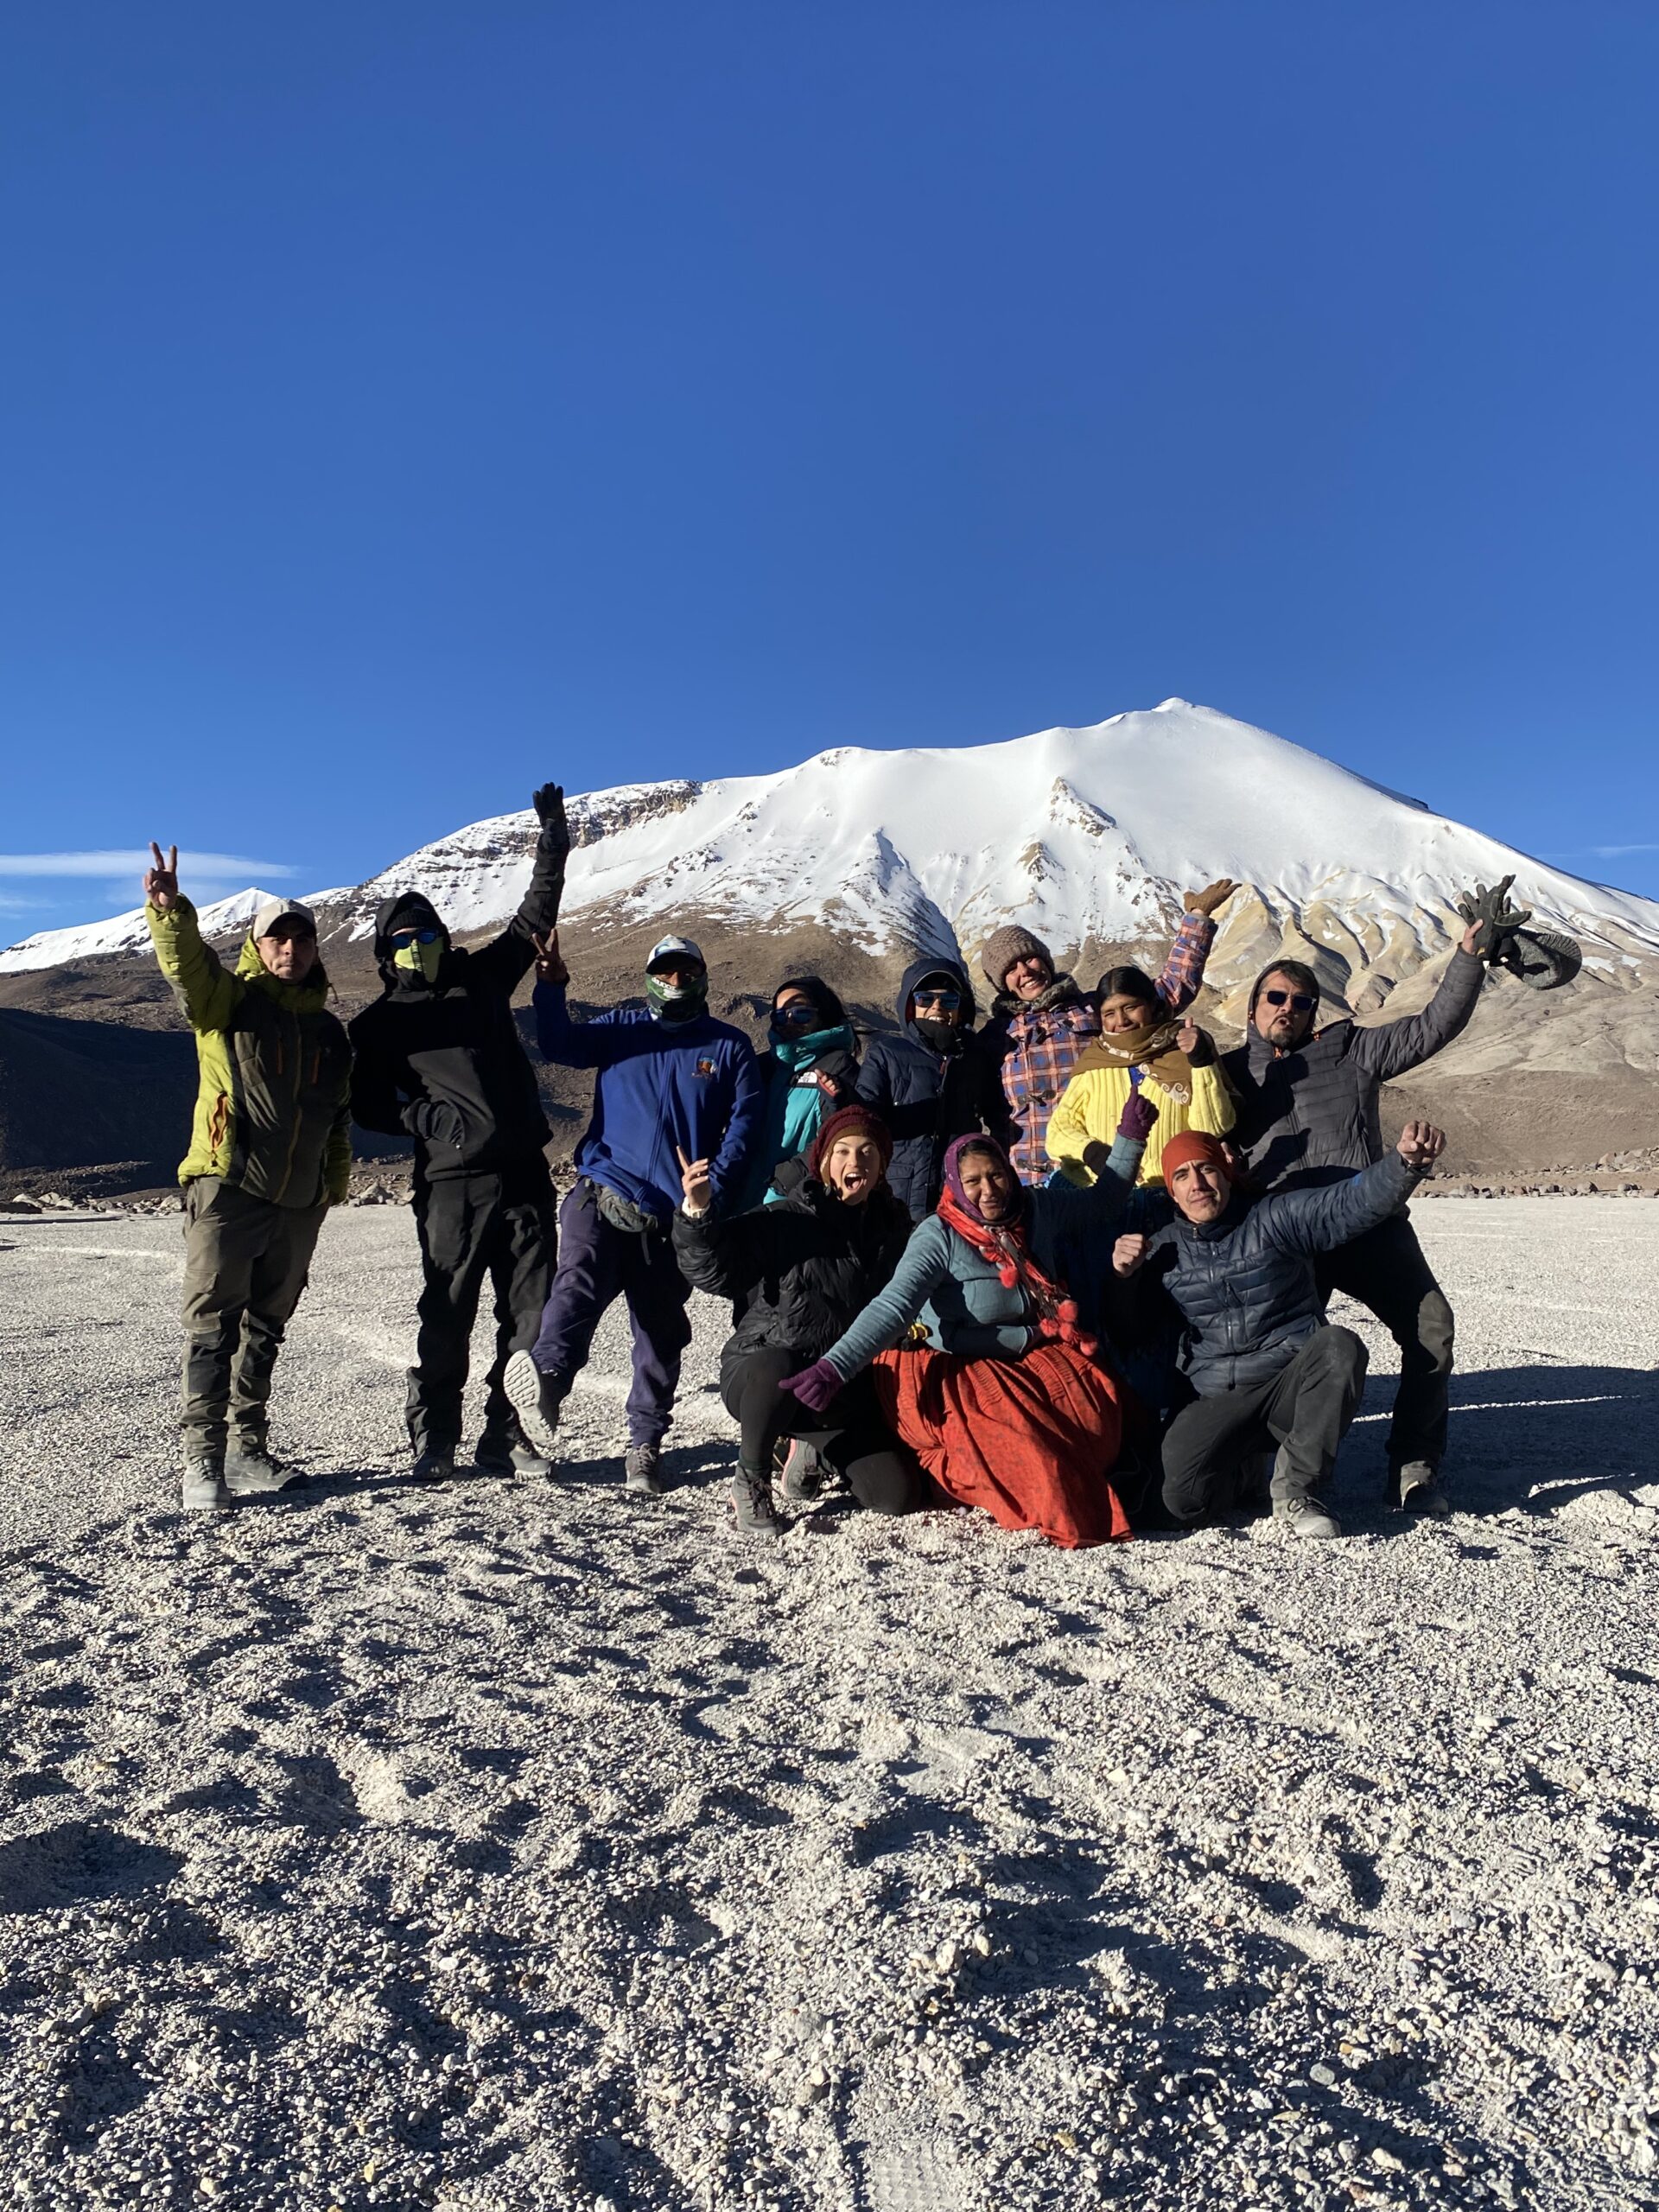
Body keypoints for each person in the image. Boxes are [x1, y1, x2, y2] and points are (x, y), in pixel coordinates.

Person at [779, 1105, 1155, 1548]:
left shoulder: (1036, 1209)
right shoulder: (938, 1234)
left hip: (1034, 1349)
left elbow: (1104, 1201)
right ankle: (830, 1453)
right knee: (1031, 1460)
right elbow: (894, 1307)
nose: (987, 1190)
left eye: (995, 1175)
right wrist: (833, 1369)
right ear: (956, 1186)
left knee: (1103, 1426)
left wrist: (1130, 1135)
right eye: (972, 1182)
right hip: (958, 1364)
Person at [1218, 918, 1486, 1514]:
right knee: (1285, 1354)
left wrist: (1467, 958)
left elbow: (1433, 1026)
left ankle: (1412, 1465)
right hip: (1288, 1239)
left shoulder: (1352, 1049)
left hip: (1369, 1221)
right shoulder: (1229, 1077)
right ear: (1254, 1006)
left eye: (1302, 1001)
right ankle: (1276, 1467)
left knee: (1432, 1329)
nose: (1289, 1008)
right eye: (1277, 997)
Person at [348, 784, 571, 1481]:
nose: (419, 947)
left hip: (524, 1174)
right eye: (404, 940)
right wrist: (428, 1120)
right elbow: (368, 1107)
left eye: (428, 934)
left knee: (528, 1312)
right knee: (447, 1310)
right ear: (388, 951)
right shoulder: (379, 1024)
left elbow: (536, 917)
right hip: (451, 1186)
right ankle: (435, 1433)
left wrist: (553, 840)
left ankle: (504, 1432)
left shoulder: (481, 980)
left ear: (446, 937)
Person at [504, 931, 761, 1494]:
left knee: (660, 1331)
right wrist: (551, 987)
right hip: (604, 1190)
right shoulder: (622, 1030)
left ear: (703, 976)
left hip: (674, 1214)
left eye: (687, 972)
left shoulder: (728, 1047)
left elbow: (743, 1128)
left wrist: (709, 1191)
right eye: (666, 972)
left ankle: (645, 1444)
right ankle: (546, 1379)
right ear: (650, 977)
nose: (676, 982)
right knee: (576, 1288)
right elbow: (559, 1045)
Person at [1111, 1122, 1447, 1540]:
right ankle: (1242, 1474)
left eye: (1207, 1169)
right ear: (1172, 1192)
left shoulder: (1275, 1217)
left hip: (1288, 1385)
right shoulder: (1163, 1252)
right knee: (1177, 1506)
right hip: (1215, 1396)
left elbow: (1348, 1202)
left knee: (1338, 1347)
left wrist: (1405, 1166)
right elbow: (1132, 1332)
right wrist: (1126, 1279)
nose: (1198, 1184)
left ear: (1227, 1173)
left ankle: (1298, 1491)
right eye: (1182, 1175)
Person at [142, 844, 351, 1512]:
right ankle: (202, 1461)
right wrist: (169, 913)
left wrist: (330, 1186)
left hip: (298, 1203)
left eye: (301, 937)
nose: (290, 947)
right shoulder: (226, 1006)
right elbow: (187, 970)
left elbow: (336, 1117)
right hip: (227, 1187)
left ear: (315, 948)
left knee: (266, 1325)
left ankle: (247, 1449)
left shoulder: (329, 1032)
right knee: (211, 1326)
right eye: (277, 938)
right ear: (258, 948)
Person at [673, 1104, 923, 1536]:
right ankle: (750, 1477)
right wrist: (698, 1214)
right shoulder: (786, 1219)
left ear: (882, 1165)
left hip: (838, 1389)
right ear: (824, 1161)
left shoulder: (896, 1233)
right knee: (779, 1365)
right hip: (761, 1377)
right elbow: (716, 1270)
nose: (855, 1162)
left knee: (896, 1496)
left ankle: (809, 1448)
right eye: (843, 1151)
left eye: (868, 1152)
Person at [977, 880, 1236, 1185]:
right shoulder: (994, 1037)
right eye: (1011, 969)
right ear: (1002, 983)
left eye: (1029, 958)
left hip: (1099, 1171)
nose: (1025, 971)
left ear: (1045, 959)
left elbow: (1169, 990)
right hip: (1028, 1178)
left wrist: (1197, 919)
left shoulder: (1094, 1009)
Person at [854, 954, 997, 1223]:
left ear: (961, 1007)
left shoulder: (975, 1058)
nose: (938, 1007)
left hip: (959, 1195)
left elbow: (997, 1116)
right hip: (895, 1197)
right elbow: (864, 1117)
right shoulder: (887, 1054)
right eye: (925, 999)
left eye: (949, 1000)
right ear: (910, 1005)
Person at [1046, 1003, 1236, 1190]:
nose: (1121, 1021)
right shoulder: (1093, 1065)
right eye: (1109, 1013)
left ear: (1152, 1005)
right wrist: (1093, 1152)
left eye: (1131, 1008)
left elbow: (1212, 1129)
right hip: (1100, 1195)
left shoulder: (1183, 1055)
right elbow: (1058, 1132)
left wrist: (1201, 1062)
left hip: (1171, 1194)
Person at [736, 976, 860, 1209]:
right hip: (741, 1195)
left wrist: (782, 1182)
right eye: (780, 1015)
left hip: (791, 1201)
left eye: (801, 1013)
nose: (789, 1021)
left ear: (822, 1015)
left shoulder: (836, 1066)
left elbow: (836, 1136)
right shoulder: (763, 1066)